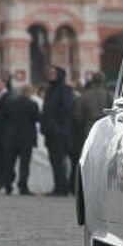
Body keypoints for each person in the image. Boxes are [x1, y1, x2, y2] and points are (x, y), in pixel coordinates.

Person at [41, 66, 75, 196]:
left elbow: (67, 109)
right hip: (50, 132)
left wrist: (57, 125)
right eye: (49, 73)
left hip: (59, 132)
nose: (50, 75)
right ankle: (58, 186)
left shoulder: (64, 89)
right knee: (54, 161)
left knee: (60, 161)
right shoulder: (50, 90)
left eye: (53, 73)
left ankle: (62, 188)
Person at [3, 85, 40, 195]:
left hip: (11, 137)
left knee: (9, 163)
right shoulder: (32, 104)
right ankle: (23, 186)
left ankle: (8, 185)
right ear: (29, 93)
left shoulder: (10, 104)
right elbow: (37, 118)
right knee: (24, 164)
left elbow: (4, 117)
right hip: (26, 138)